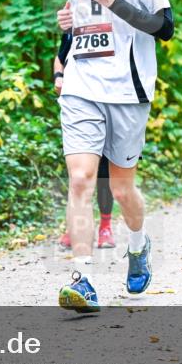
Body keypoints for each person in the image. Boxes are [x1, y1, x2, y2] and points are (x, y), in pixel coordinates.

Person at [55, 0, 174, 313]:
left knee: (122, 189)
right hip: (82, 86)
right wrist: (63, 40)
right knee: (82, 180)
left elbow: (164, 27)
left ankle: (138, 245)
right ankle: (82, 279)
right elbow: (78, 30)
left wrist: (116, 1)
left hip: (128, 88)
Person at [54, 36, 116, 250]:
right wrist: (58, 77)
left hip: (110, 100)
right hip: (78, 101)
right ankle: (75, 228)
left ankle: (105, 226)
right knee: (78, 175)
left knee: (104, 170)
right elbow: (59, 57)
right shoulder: (76, 23)